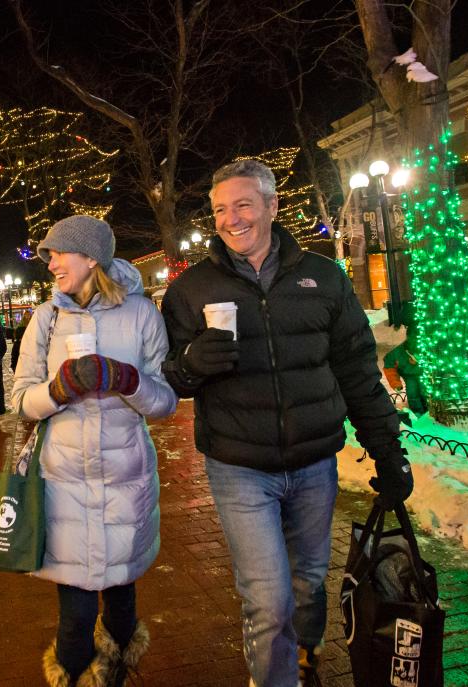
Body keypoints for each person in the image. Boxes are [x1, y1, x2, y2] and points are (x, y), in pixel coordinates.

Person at [160, 159, 410, 687]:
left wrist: (387, 450)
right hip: (239, 468)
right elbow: (170, 380)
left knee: (308, 584)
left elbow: (357, 370)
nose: (232, 219)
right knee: (268, 597)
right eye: (221, 209)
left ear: (272, 206)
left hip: (316, 462)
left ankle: (304, 656)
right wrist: (189, 366)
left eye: (244, 204)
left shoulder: (323, 277)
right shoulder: (191, 289)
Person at [12, 215, 177, 687]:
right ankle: (73, 676)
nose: (51, 265)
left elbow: (164, 400)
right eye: (49, 256)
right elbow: (22, 399)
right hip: (63, 485)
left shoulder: (143, 314)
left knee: (123, 607)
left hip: (127, 482)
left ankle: (120, 672)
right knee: (76, 615)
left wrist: (127, 381)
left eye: (58, 253)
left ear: (91, 257)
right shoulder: (47, 319)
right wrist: (60, 389)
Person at [383, 340, 428, 417]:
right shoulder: (396, 353)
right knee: (412, 392)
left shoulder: (425, 347)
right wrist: (396, 384)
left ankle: (428, 411)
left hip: (424, 374)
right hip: (409, 375)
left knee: (424, 391)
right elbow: (390, 368)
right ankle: (418, 413)